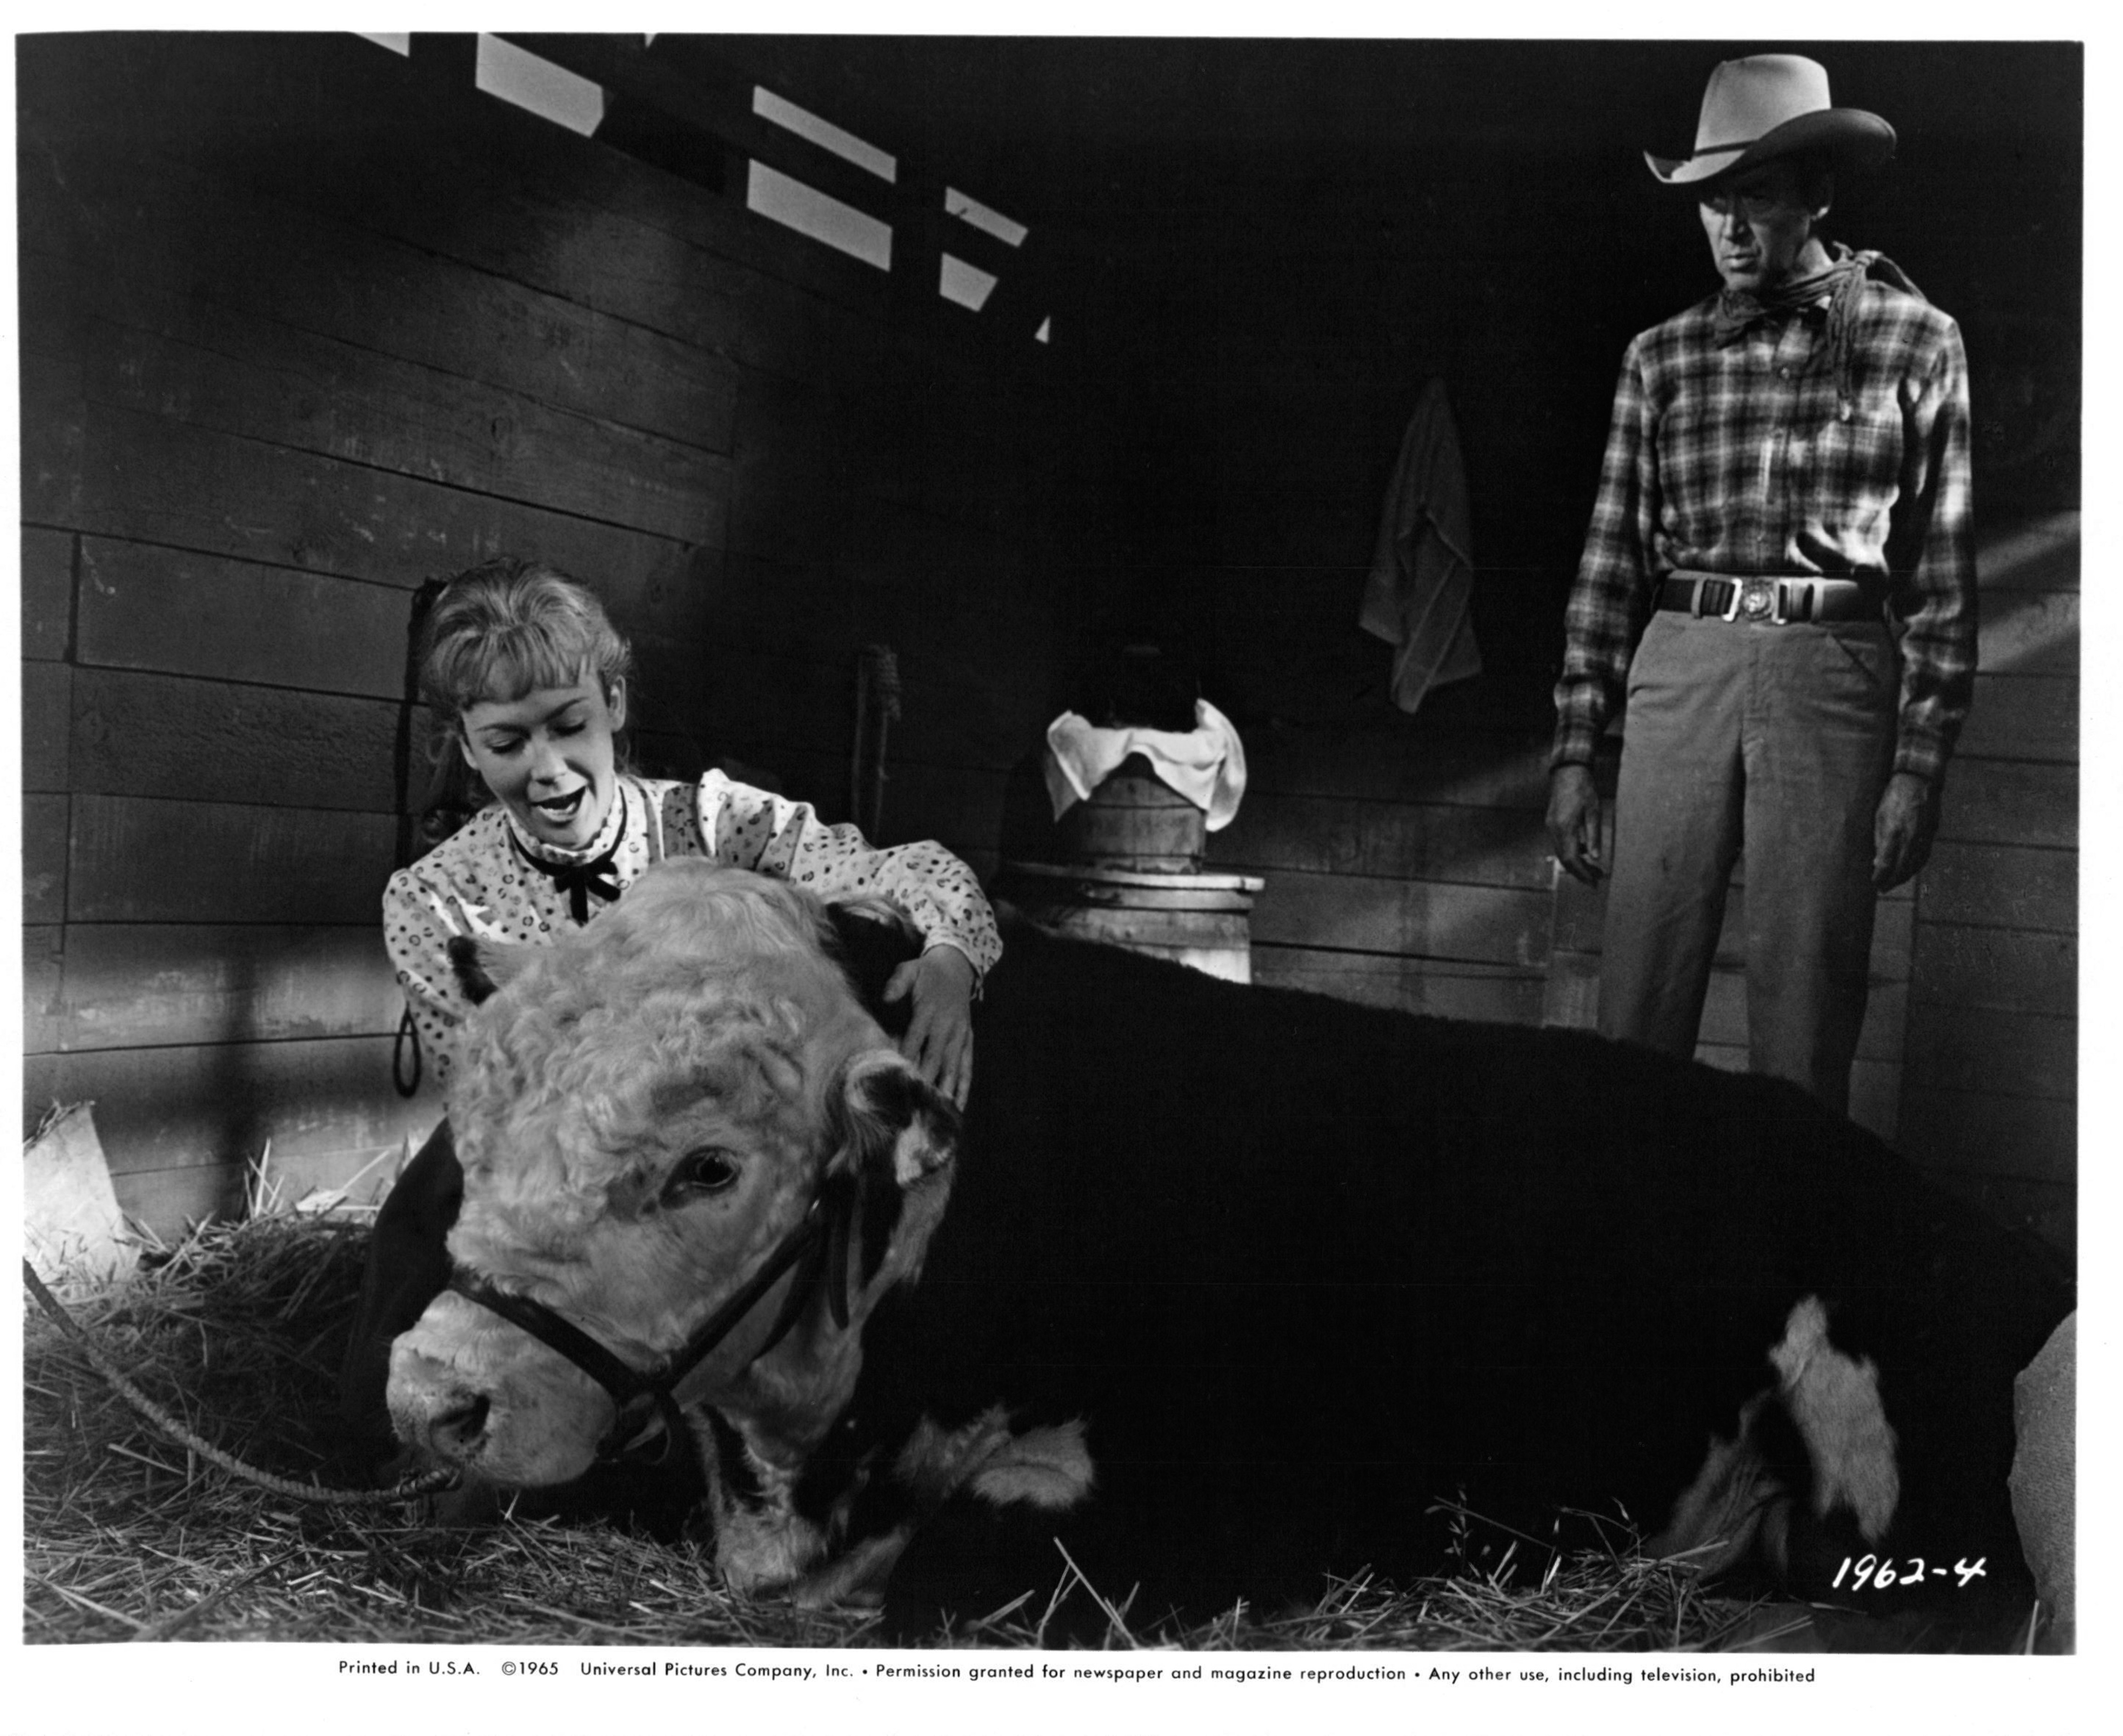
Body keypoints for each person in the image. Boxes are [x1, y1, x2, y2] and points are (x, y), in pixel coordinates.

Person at [340, 558, 1001, 1454]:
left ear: (613, 702)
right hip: (534, 1153)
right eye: (506, 743)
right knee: (420, 1231)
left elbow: (916, 870)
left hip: (693, 1146)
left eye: (569, 726)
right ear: (466, 746)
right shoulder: (434, 898)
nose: (548, 772)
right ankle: (397, 1456)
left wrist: (951, 961)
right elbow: (486, 1099)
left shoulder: (711, 820)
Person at [1546, 54, 1975, 1117]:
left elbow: (1942, 578)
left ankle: (1790, 1273)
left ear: (1819, 194)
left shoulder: (1917, 342)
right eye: (1714, 204)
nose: (1732, 229)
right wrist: (1573, 749)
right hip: (1682, 668)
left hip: (1830, 675)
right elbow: (1611, 563)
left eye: (1760, 199)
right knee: (1638, 1010)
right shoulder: (1665, 357)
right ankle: (1631, 1269)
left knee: (1806, 1007)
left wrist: (1918, 768)